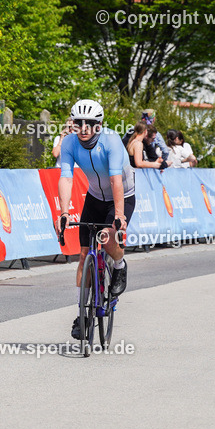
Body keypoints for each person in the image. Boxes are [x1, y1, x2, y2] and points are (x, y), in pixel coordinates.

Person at [53, 99, 135, 340]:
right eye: (79, 123)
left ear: (99, 124)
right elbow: (66, 178)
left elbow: (115, 181)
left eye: (90, 123)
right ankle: (82, 313)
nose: (84, 128)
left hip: (122, 196)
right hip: (95, 197)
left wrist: (119, 215)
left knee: (109, 238)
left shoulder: (111, 141)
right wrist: (64, 213)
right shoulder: (69, 143)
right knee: (83, 255)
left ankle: (119, 266)